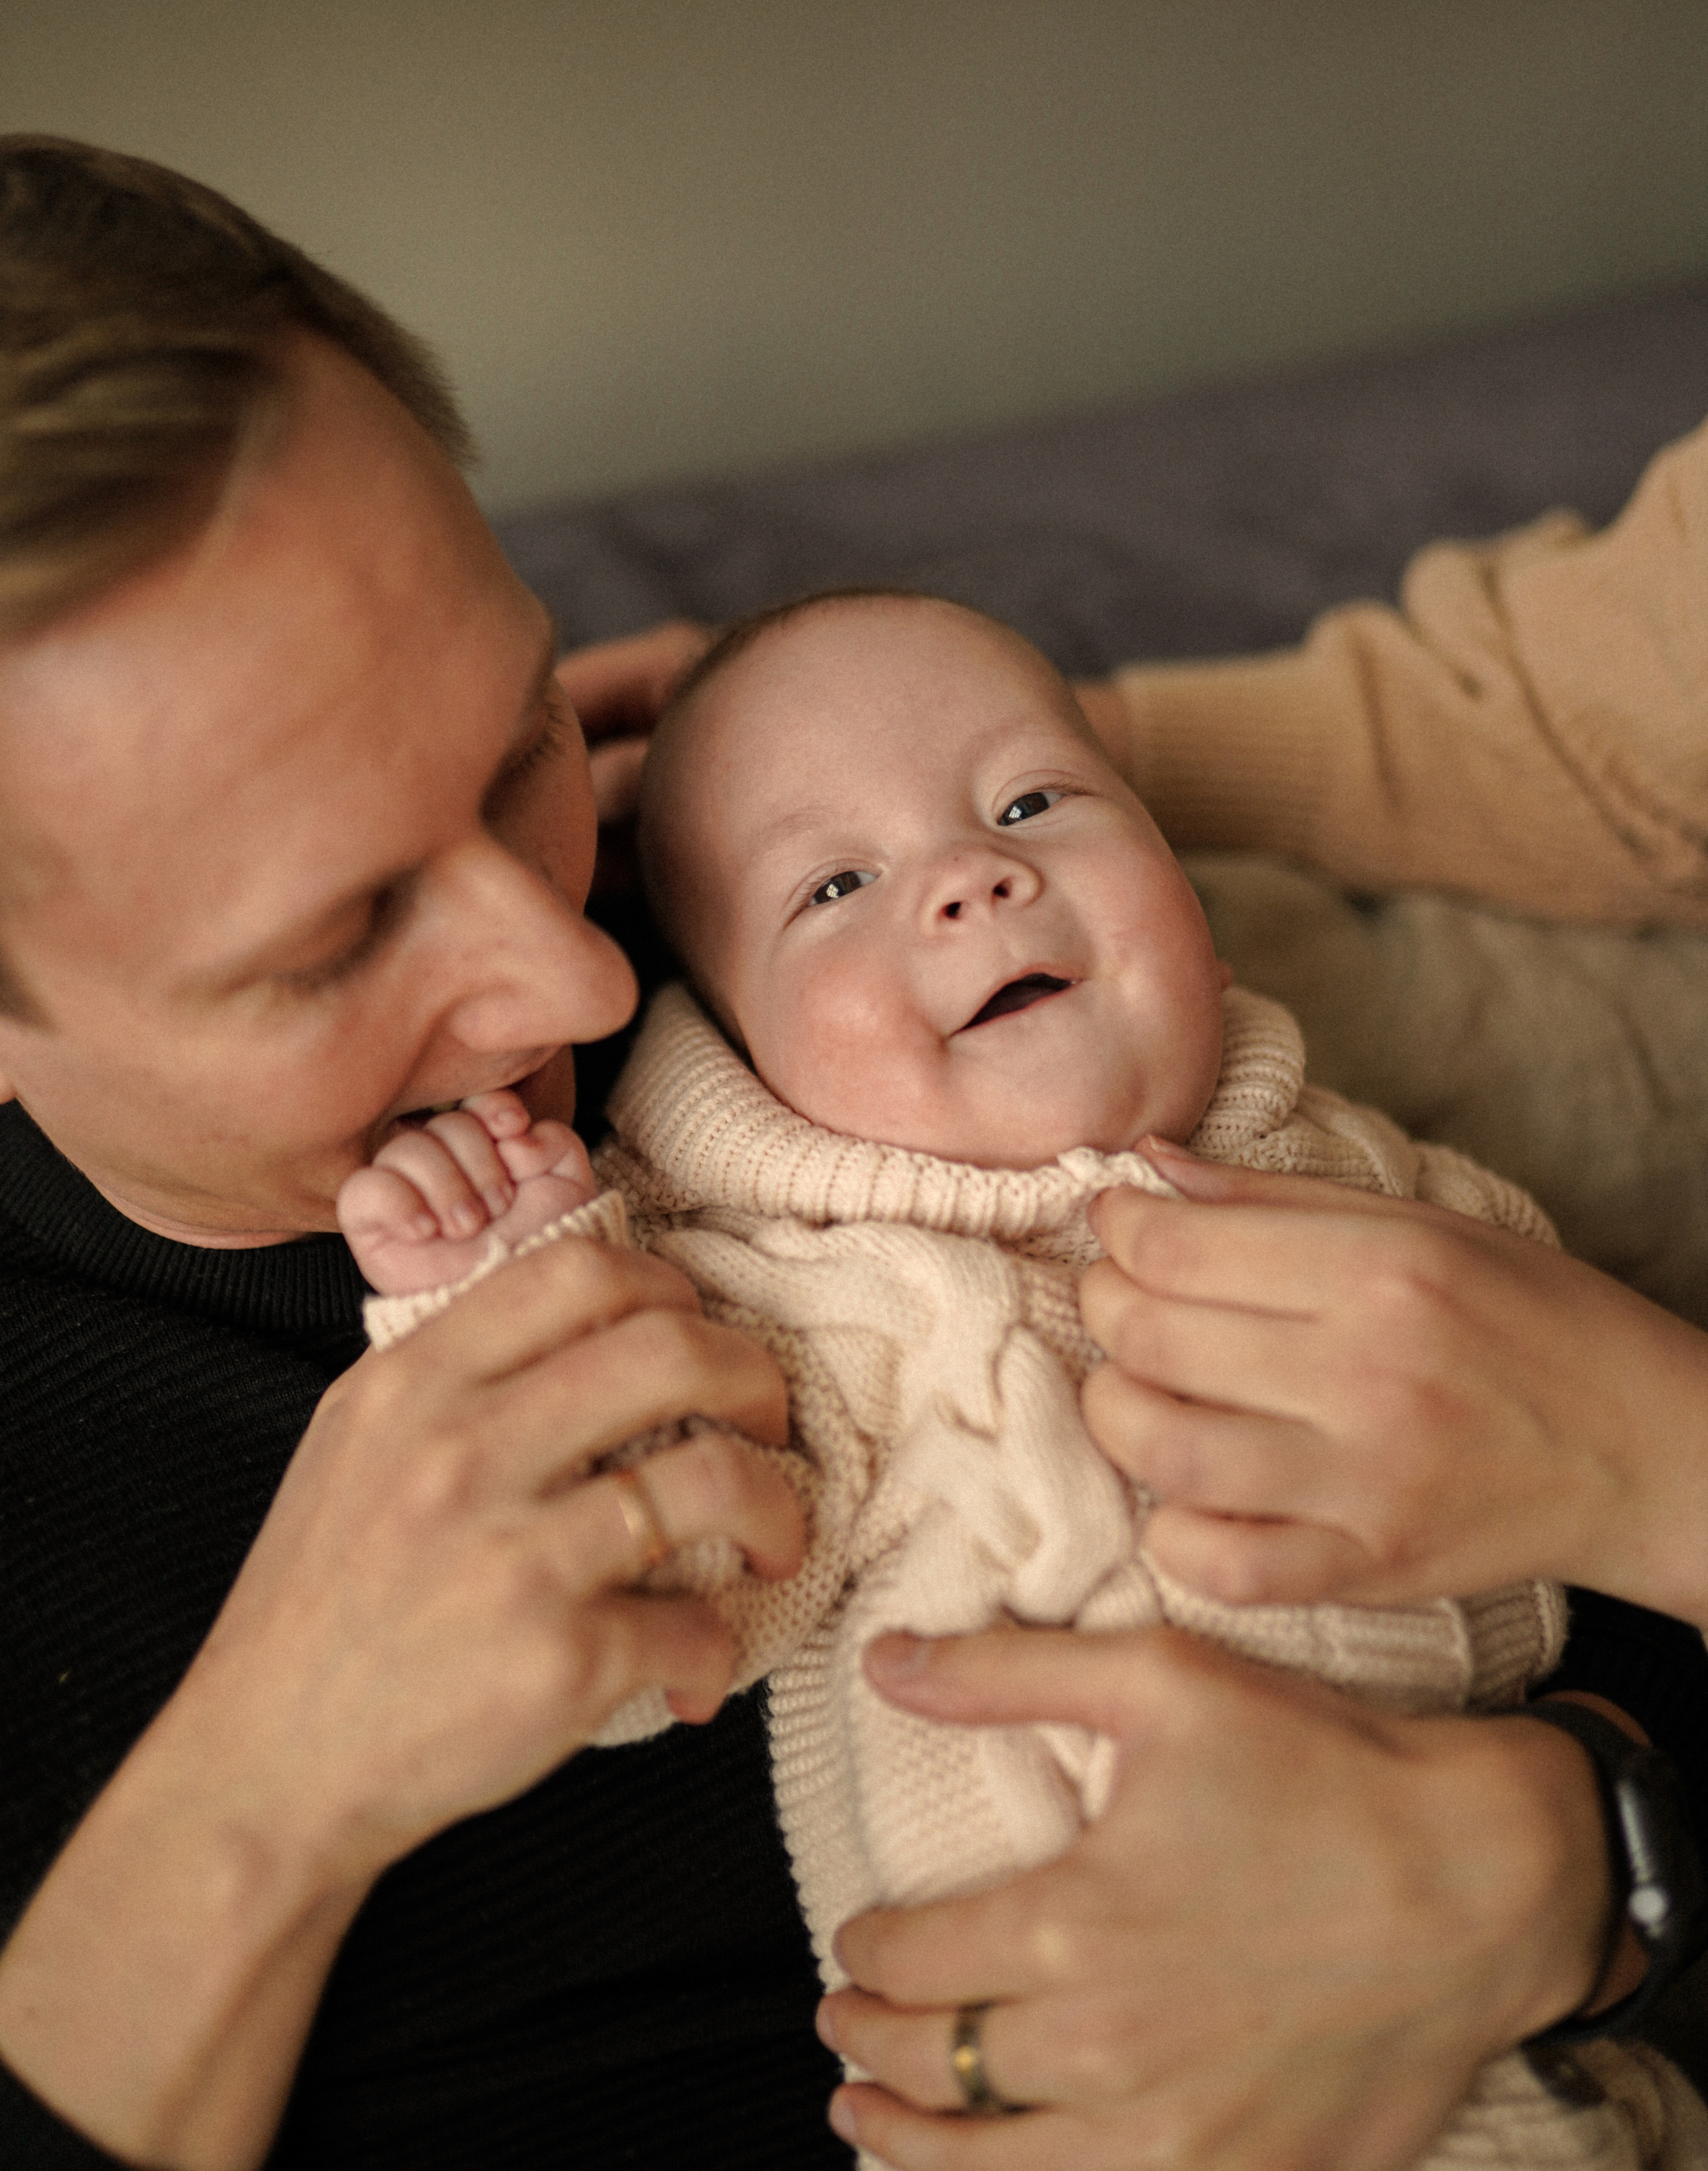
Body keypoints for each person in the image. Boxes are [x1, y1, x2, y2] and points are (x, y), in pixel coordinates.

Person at [0, 131, 1692, 2171]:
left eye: (520, 734)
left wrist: (1568, 1859)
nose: (578, 983)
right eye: (341, 938)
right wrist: (258, 1796)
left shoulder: (828, 946)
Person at [341, 588, 1700, 2167]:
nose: (975, 876)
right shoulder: (794, 1301)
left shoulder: (1397, 1197)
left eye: (1032, 800)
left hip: (1523, 2073)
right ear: (735, 1045)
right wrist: (510, 1283)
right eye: (835, 883)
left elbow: (1602, 1580)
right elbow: (650, 1646)